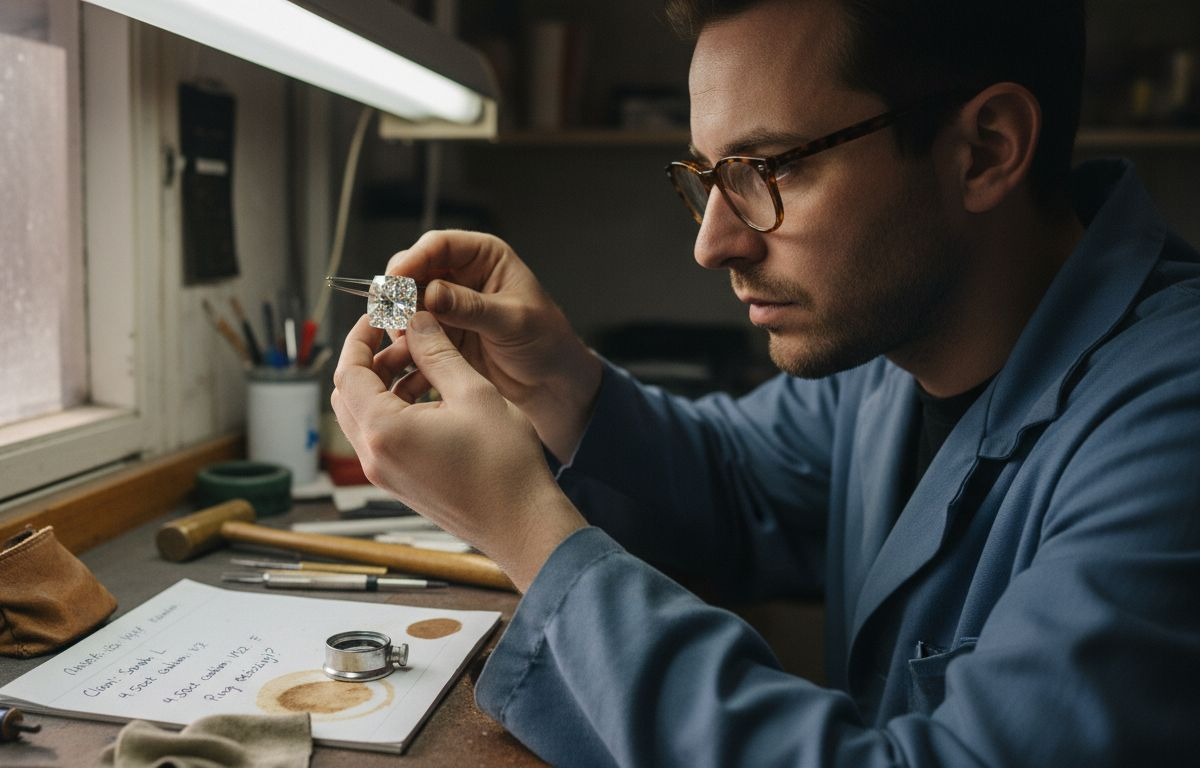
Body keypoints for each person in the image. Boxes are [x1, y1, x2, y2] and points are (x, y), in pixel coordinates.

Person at [330, 0, 1200, 764]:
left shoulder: (1171, 422)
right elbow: (738, 481)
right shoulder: (894, 351)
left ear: (984, 150)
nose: (714, 243)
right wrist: (557, 378)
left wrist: (526, 526)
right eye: (708, 176)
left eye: (771, 168)